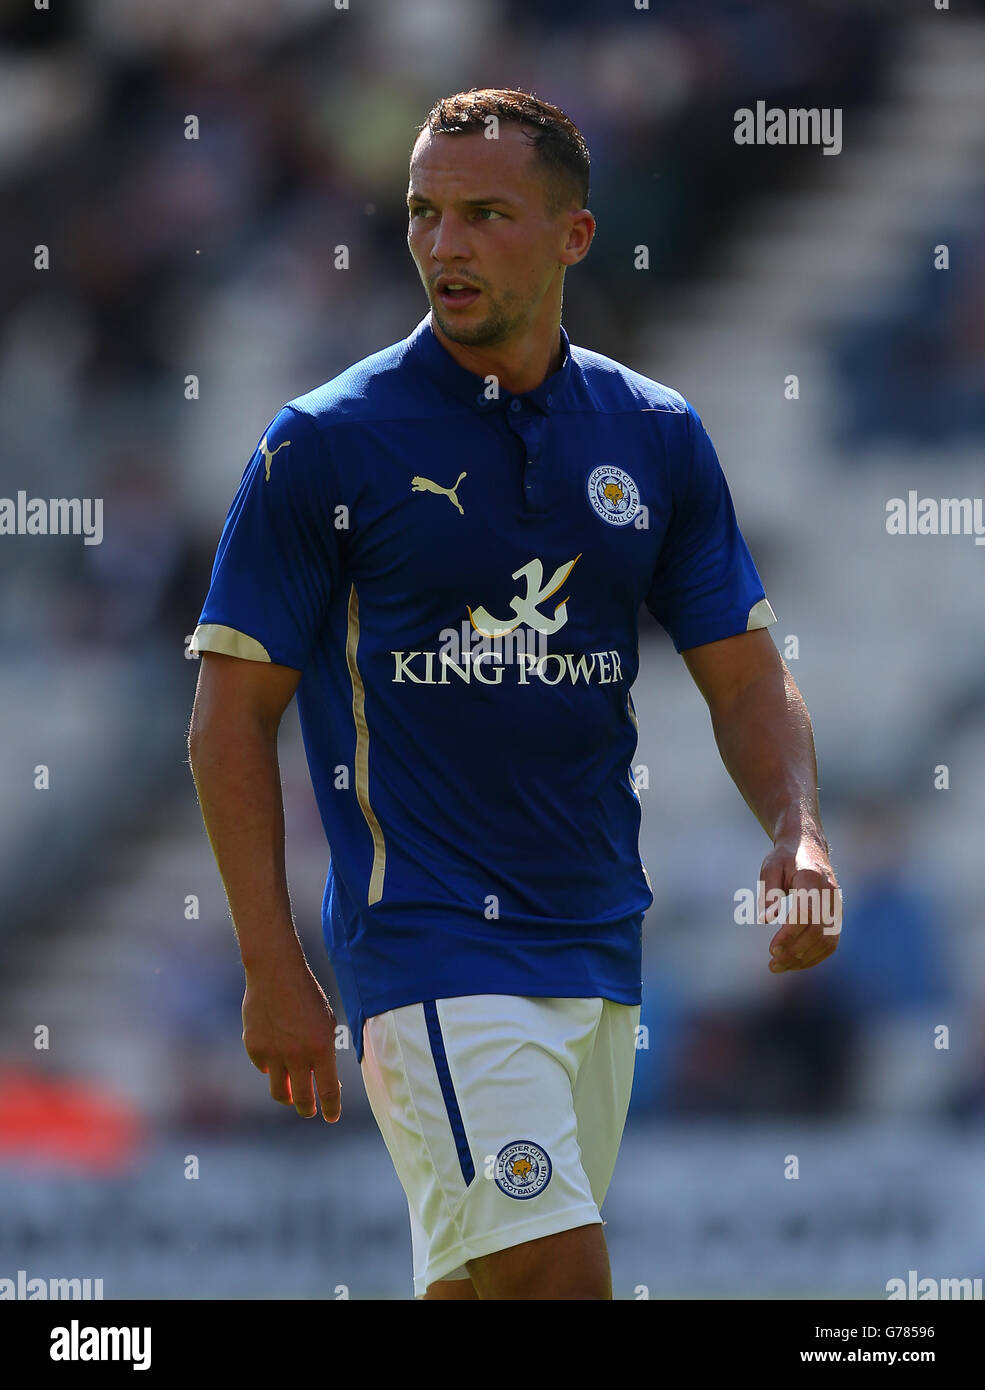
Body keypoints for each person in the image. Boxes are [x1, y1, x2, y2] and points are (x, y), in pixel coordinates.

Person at [186, 87, 841, 1301]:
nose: (444, 246)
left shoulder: (654, 436)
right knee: (556, 1275)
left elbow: (745, 676)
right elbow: (231, 713)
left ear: (573, 236)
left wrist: (797, 830)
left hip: (597, 945)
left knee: (487, 1286)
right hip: (431, 944)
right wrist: (270, 962)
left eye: (484, 214)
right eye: (424, 216)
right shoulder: (325, 443)